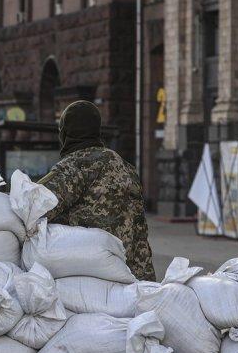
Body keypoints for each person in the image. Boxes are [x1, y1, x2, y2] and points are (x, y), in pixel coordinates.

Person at [37, 100, 155, 281]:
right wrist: (146, 283)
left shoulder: (74, 166)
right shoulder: (126, 168)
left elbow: (35, 208)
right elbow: (140, 233)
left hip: (91, 273)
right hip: (127, 274)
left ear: (66, 132)